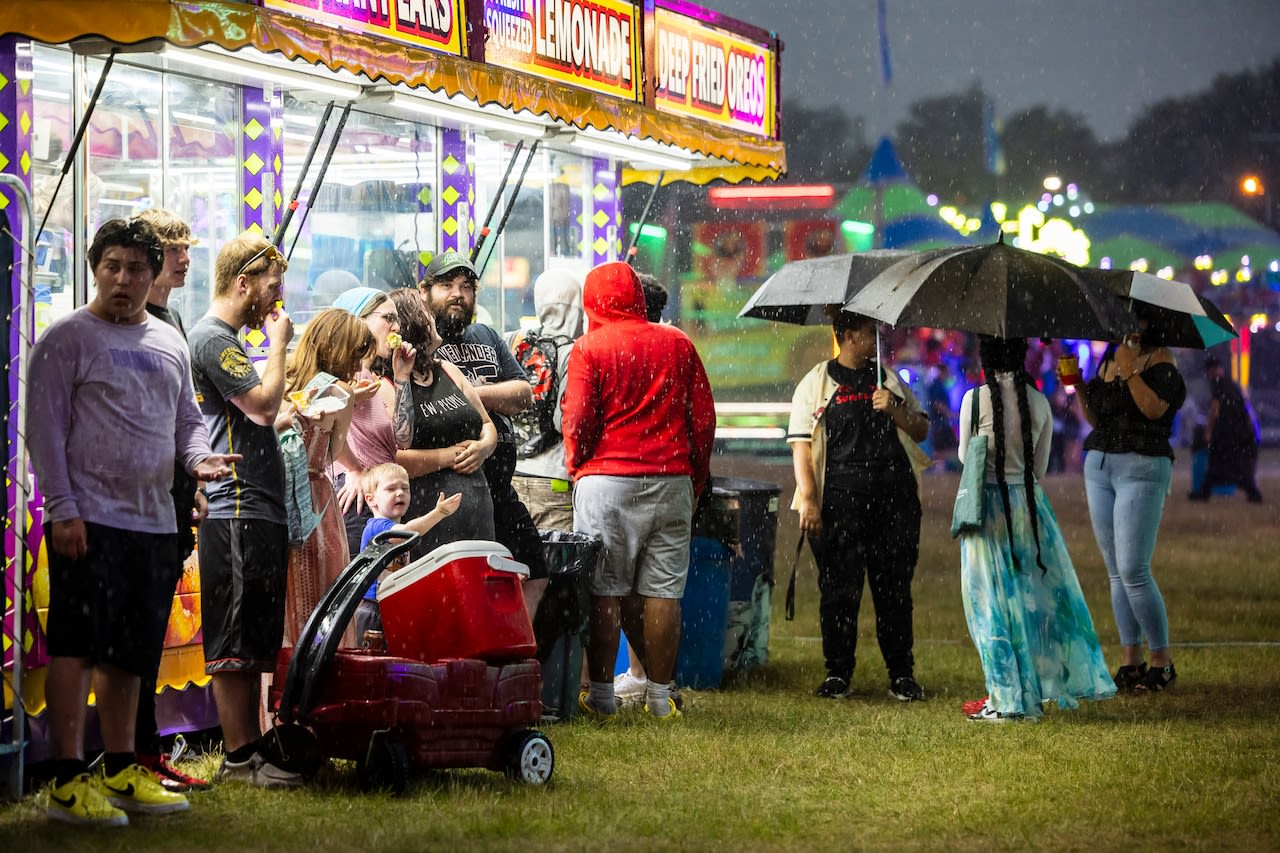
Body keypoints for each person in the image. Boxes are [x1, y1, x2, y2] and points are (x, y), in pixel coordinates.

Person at [28, 218, 238, 826]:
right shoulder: (66, 339)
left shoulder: (168, 342)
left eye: (136, 269)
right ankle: (67, 780)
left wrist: (198, 460)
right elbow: (44, 432)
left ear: (154, 275)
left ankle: (122, 767)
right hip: (86, 522)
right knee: (75, 647)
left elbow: (186, 422)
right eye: (112, 266)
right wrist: (62, 511)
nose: (123, 279)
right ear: (95, 268)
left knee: (130, 655)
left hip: (154, 524)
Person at [562, 261, 716, 720]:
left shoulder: (589, 348)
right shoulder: (678, 343)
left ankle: (605, 696)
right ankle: (659, 697)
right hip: (671, 482)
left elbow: (578, 420)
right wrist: (695, 476)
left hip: (606, 484)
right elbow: (703, 420)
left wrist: (578, 464)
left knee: (605, 590)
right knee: (663, 592)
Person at [188, 232, 302, 786]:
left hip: (259, 505)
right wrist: (279, 343)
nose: (276, 303)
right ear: (243, 283)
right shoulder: (213, 338)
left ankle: (253, 746)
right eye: (271, 289)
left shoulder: (226, 337)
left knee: (256, 634)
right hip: (236, 504)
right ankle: (238, 758)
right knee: (234, 640)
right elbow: (260, 406)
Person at [957, 337, 1116, 722]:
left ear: (986, 358)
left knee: (990, 605)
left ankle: (1006, 696)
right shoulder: (1040, 402)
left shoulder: (973, 401)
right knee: (1031, 601)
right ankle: (1032, 687)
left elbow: (965, 457)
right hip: (1029, 509)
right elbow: (1039, 469)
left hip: (986, 509)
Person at [788, 311, 931, 702]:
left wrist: (895, 410)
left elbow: (921, 428)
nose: (877, 337)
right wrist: (810, 501)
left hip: (894, 502)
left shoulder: (887, 378)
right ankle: (838, 674)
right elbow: (801, 446)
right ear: (848, 336)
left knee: (894, 591)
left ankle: (902, 675)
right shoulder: (816, 384)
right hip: (839, 505)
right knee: (838, 591)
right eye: (871, 332)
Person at [421, 250, 549, 618]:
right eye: (446, 285)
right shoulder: (422, 344)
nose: (457, 294)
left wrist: (470, 393)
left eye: (466, 286)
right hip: (452, 490)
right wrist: (492, 398)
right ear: (424, 292)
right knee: (467, 586)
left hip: (500, 487)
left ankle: (511, 654)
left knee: (535, 572)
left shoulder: (487, 335)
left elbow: (523, 394)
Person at [129, 208, 209, 792]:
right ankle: (129, 753)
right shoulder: (129, 321)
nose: (185, 258)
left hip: (171, 498)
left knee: (151, 633)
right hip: (130, 504)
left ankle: (144, 749)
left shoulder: (173, 318)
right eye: (176, 249)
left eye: (185, 248)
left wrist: (195, 484)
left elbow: (183, 415)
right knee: (129, 639)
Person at [1066, 320, 1187, 693]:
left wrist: (1130, 367)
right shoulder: (1110, 355)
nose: (1129, 326)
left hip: (1144, 465)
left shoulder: (1163, 363)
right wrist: (1080, 387)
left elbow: (1152, 410)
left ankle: (1161, 663)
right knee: (1116, 571)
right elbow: (1095, 417)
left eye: (1137, 318)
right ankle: (1130, 661)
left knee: (1134, 568)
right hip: (1100, 464)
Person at [279, 308, 380, 646]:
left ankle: (279, 685)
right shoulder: (341, 393)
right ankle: (316, 685)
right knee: (323, 602)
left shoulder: (283, 377)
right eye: (355, 354)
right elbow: (333, 453)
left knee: (285, 600)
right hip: (316, 504)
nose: (358, 365)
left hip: (277, 499)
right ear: (337, 349)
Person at [380, 287, 498, 555]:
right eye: (425, 312)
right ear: (414, 322)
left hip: (477, 507)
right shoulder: (388, 384)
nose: (433, 316)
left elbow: (487, 424)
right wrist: (448, 456)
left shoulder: (446, 368)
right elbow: (394, 458)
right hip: (429, 513)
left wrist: (484, 448)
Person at [509, 269, 585, 533]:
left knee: (518, 567)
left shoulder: (516, 342)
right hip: (555, 481)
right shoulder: (575, 351)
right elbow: (565, 421)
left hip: (514, 478)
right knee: (556, 569)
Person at [330, 287, 403, 556]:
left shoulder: (373, 377)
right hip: (358, 497)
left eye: (398, 320)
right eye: (388, 318)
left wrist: (403, 377)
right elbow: (326, 422)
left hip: (380, 498)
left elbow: (403, 441)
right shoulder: (346, 369)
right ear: (358, 319)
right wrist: (354, 468)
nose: (397, 327)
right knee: (362, 591)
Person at [352, 462, 463, 639]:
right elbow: (408, 533)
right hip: (374, 609)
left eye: (405, 488)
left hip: (391, 604)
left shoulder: (397, 527)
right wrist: (438, 513)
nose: (400, 493)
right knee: (373, 659)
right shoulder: (377, 527)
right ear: (371, 499)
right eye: (390, 489)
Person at [1188, 355, 1263, 503]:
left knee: (1219, 462)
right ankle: (1251, 492)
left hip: (1229, 432)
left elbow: (1215, 409)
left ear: (1212, 371)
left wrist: (1208, 431)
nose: (1208, 375)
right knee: (1235, 465)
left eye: (1209, 372)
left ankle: (1205, 491)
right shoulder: (1231, 384)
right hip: (1240, 432)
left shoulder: (1218, 384)